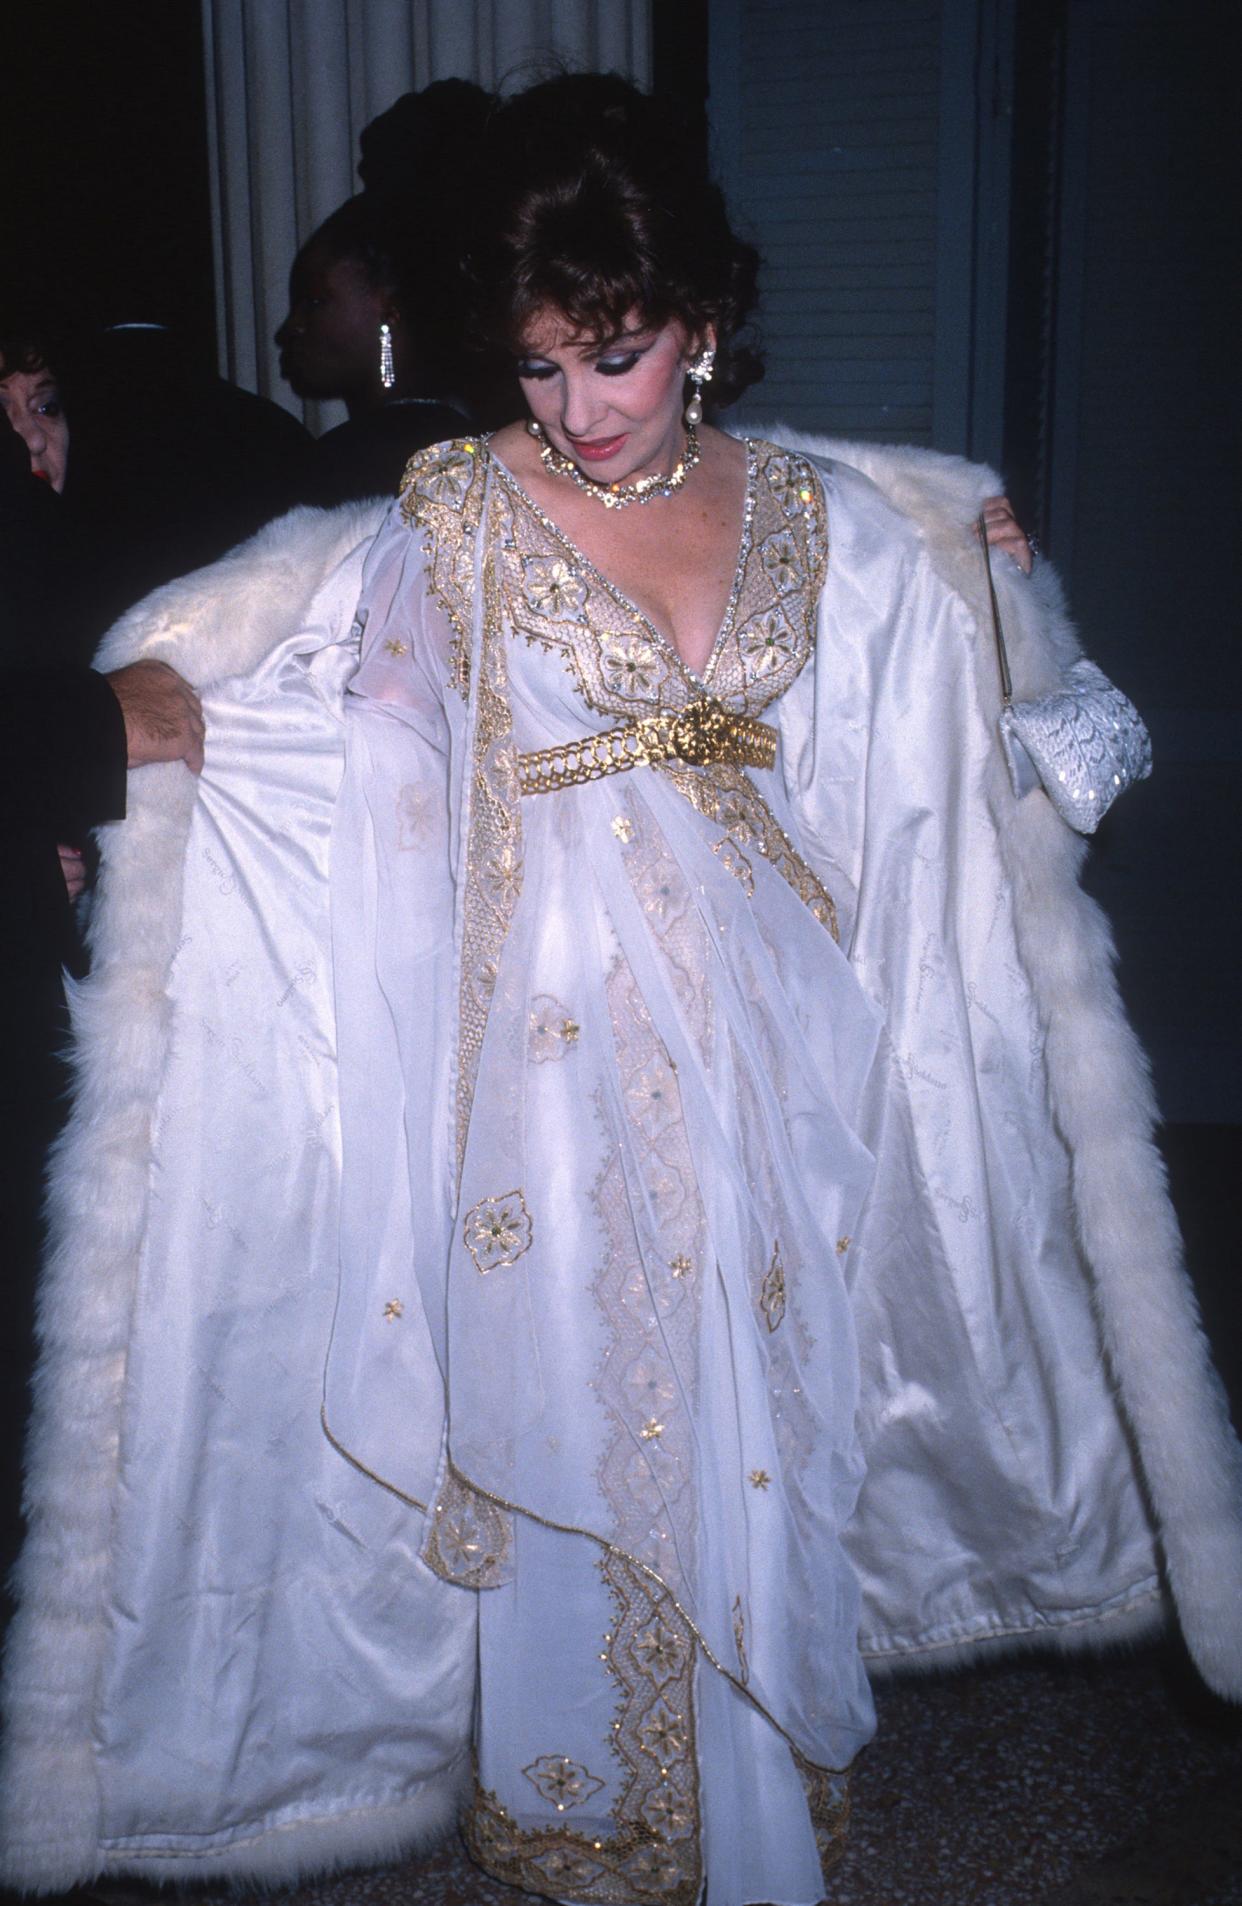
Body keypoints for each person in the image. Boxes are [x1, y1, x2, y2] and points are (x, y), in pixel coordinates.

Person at [3, 74, 1239, 1906]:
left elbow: (986, 767)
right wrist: (155, 760)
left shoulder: (834, 521)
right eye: (536, 370)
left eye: (618, 353)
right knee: (583, 1407)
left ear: (705, 319)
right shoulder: (442, 520)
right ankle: (589, 1816)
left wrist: (1008, 619)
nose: (577, 411)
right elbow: (349, 760)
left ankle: (760, 1800)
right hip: (544, 1064)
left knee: (764, 1396)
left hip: (778, 1046)